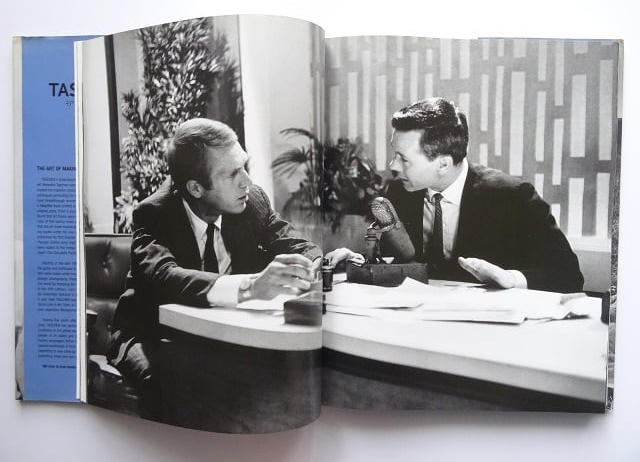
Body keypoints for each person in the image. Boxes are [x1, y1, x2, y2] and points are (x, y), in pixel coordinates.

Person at [107, 118, 322, 417]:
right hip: (151, 334)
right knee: (172, 387)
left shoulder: (249, 201)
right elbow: (166, 276)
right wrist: (250, 287)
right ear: (196, 188)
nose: (247, 181)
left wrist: (317, 264)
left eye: (244, 166)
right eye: (232, 173)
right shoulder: (154, 213)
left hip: (221, 333)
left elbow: (292, 242)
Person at [326, 97, 584, 293]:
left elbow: (568, 275)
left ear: (443, 164)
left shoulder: (513, 198)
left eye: (403, 159)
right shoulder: (399, 192)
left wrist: (511, 279)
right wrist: (359, 262)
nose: (393, 166)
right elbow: (401, 262)